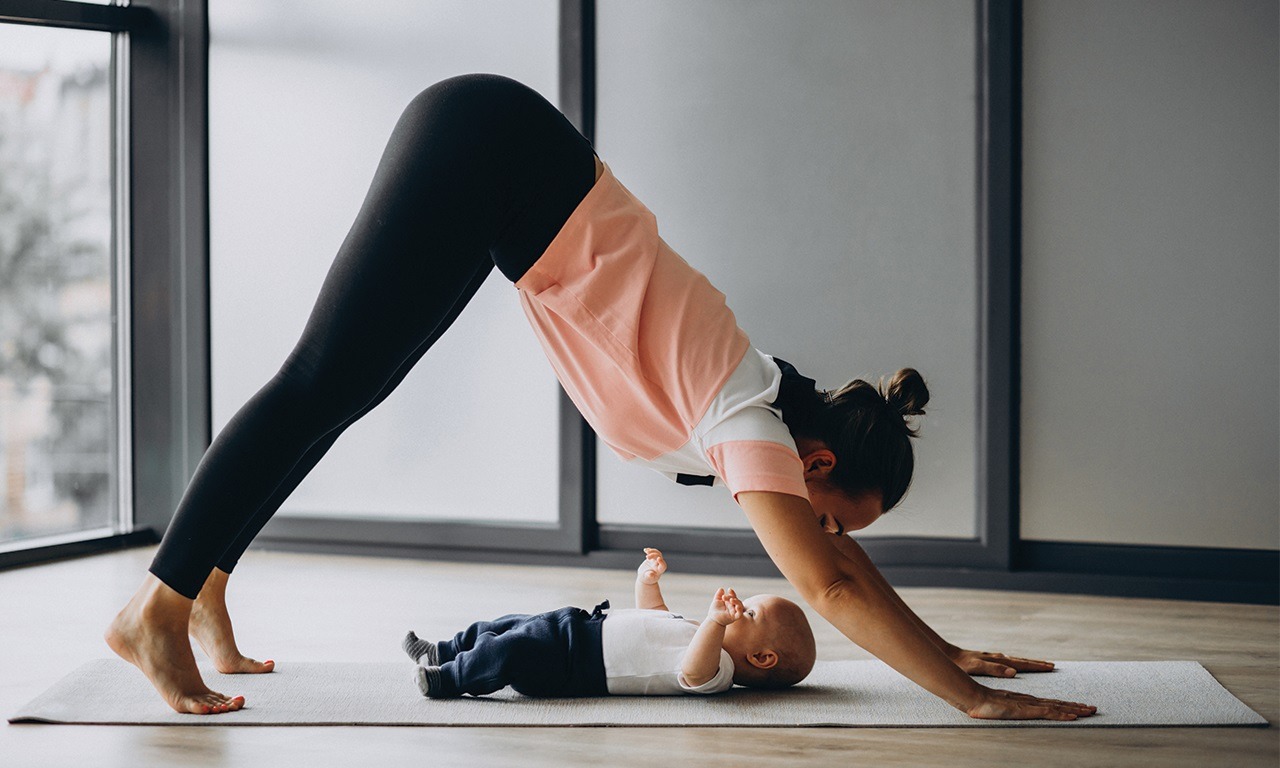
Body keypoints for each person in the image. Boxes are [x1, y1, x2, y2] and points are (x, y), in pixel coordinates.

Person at [106, 73, 1096, 721]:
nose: (824, 535)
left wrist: (949, 651)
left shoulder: (763, 406)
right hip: (485, 148)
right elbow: (829, 587)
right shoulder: (744, 419)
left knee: (336, 394)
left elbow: (838, 568)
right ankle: (158, 605)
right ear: (817, 465)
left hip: (503, 178)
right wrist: (968, 703)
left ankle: (207, 589)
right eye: (833, 516)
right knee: (316, 381)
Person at [403, 548, 815, 698]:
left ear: (761, 657)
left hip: (574, 667)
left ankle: (449, 679)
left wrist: (713, 623)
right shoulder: (700, 635)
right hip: (579, 628)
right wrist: (646, 581)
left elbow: (691, 672)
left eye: (749, 613)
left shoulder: (718, 670)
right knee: (507, 624)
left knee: (508, 650)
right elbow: (651, 618)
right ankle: (445, 648)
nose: (737, 607)